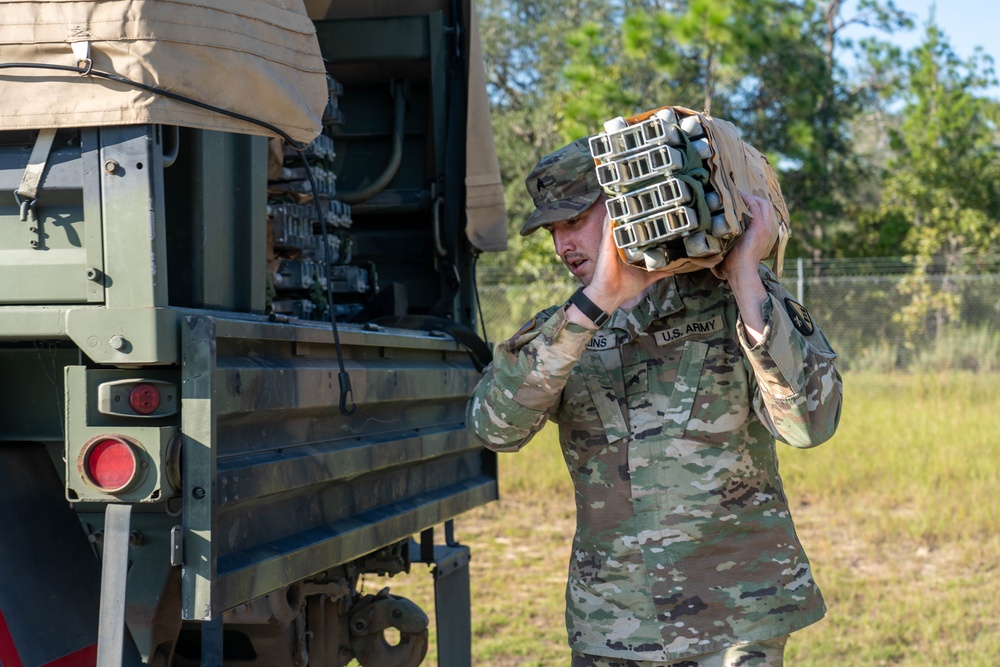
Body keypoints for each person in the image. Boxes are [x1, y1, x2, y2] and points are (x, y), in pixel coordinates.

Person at [466, 137, 843, 667]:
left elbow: (811, 424)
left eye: (574, 221)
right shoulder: (565, 330)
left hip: (735, 614)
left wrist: (744, 277)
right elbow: (494, 429)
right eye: (552, 231)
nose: (561, 246)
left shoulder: (741, 301)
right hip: (613, 622)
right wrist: (592, 306)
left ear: (625, 206)